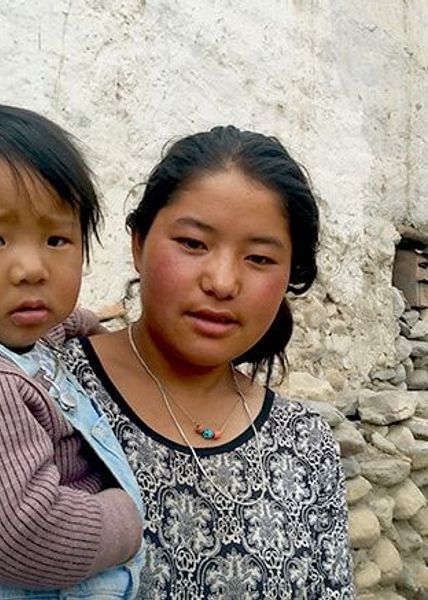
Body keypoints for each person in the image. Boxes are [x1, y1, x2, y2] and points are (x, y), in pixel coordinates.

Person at [63, 125, 355, 598]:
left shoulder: (306, 442)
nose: (221, 282)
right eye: (193, 244)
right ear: (138, 243)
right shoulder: (41, 391)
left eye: (259, 258)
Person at [0, 101, 144, 599]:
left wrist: (84, 324)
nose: (32, 268)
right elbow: (20, 538)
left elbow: (50, 332)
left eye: (56, 239)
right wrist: (125, 519)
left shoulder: (3, 339)